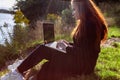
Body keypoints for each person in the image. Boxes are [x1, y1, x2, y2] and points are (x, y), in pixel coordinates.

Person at [0, 0, 108, 80]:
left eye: (74, 9)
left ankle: (17, 72)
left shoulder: (91, 25)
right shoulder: (88, 23)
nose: (73, 13)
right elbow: (83, 46)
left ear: (82, 9)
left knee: (44, 49)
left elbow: (87, 53)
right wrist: (67, 44)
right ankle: (28, 75)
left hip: (84, 65)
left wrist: (66, 47)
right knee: (48, 65)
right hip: (82, 62)